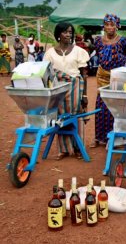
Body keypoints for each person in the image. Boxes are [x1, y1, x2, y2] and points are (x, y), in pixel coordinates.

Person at [43, 22, 90, 160]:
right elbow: (48, 73)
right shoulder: (49, 53)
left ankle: (78, 148)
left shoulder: (78, 51)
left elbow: (84, 74)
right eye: (65, 32)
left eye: (70, 32)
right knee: (60, 117)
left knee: (76, 117)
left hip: (75, 87)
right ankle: (64, 149)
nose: (68, 35)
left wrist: (85, 94)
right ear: (58, 34)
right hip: (57, 89)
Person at [91, 13, 126, 148]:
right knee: (101, 105)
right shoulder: (97, 40)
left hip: (118, 76)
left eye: (112, 25)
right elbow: (99, 55)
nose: (109, 27)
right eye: (106, 25)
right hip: (102, 75)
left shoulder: (124, 41)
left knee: (117, 106)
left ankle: (118, 136)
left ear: (117, 26)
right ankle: (100, 137)